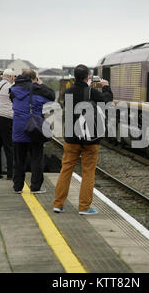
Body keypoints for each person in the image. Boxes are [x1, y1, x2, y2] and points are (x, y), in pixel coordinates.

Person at [53, 64, 113, 215]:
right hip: (90, 139)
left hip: (71, 138)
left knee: (66, 170)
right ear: (87, 77)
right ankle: (84, 207)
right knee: (88, 172)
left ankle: (58, 204)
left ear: (74, 77)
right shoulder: (92, 92)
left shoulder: (67, 92)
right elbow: (107, 101)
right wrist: (105, 87)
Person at [10, 70, 55, 194]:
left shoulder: (13, 91)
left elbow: (13, 101)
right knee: (36, 158)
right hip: (34, 128)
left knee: (19, 160)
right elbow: (51, 96)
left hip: (18, 129)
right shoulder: (38, 91)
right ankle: (35, 187)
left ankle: (17, 187)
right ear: (34, 79)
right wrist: (40, 84)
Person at [0, 69, 16, 180]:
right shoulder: (11, 87)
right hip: (6, 117)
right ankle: (11, 174)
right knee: (9, 146)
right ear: (11, 77)